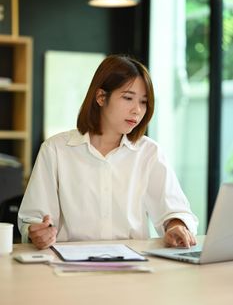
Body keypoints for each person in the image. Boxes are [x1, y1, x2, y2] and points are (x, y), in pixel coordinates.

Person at [18, 54, 198, 250]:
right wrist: (36, 232)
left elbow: (175, 211)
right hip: (68, 266)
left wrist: (176, 226)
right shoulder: (55, 149)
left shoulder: (149, 152)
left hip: (133, 265)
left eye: (144, 102)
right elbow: (32, 219)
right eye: (128, 98)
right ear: (101, 97)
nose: (137, 110)